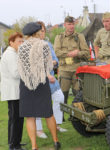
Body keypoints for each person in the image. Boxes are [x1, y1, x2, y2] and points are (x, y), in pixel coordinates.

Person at [18, 22, 61, 150]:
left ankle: (34, 146)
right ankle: (55, 141)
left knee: (30, 116)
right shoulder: (44, 45)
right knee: (48, 113)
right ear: (37, 33)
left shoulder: (21, 47)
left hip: (26, 84)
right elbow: (49, 66)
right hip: (41, 82)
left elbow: (21, 67)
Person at [35, 21, 67, 139]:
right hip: (39, 80)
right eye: (40, 31)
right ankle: (39, 130)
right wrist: (49, 63)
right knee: (39, 104)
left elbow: (56, 61)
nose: (42, 33)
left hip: (52, 79)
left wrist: (50, 63)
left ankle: (56, 125)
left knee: (60, 97)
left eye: (43, 31)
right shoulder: (32, 46)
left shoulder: (48, 44)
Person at [54, 16, 90, 105]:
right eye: (69, 24)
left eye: (73, 24)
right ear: (65, 25)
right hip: (64, 70)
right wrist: (69, 54)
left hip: (76, 70)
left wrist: (77, 53)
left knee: (78, 96)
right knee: (62, 97)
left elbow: (86, 53)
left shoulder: (80, 37)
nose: (71, 26)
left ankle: (77, 117)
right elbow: (57, 52)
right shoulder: (59, 37)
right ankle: (60, 118)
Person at [1, 32, 25, 150]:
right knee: (15, 118)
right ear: (11, 42)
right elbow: (15, 73)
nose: (21, 44)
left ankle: (15, 142)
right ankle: (14, 145)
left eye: (22, 41)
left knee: (16, 118)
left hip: (15, 91)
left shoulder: (14, 53)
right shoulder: (10, 54)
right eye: (19, 41)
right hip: (13, 91)